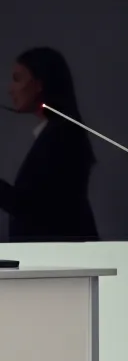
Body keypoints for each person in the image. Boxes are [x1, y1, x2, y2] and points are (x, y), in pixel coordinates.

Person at [0, 47, 99, 241]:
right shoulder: (60, 132)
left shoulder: (63, 135)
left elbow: (32, 208)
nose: (10, 89)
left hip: (63, 259)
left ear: (39, 84)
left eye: (17, 79)